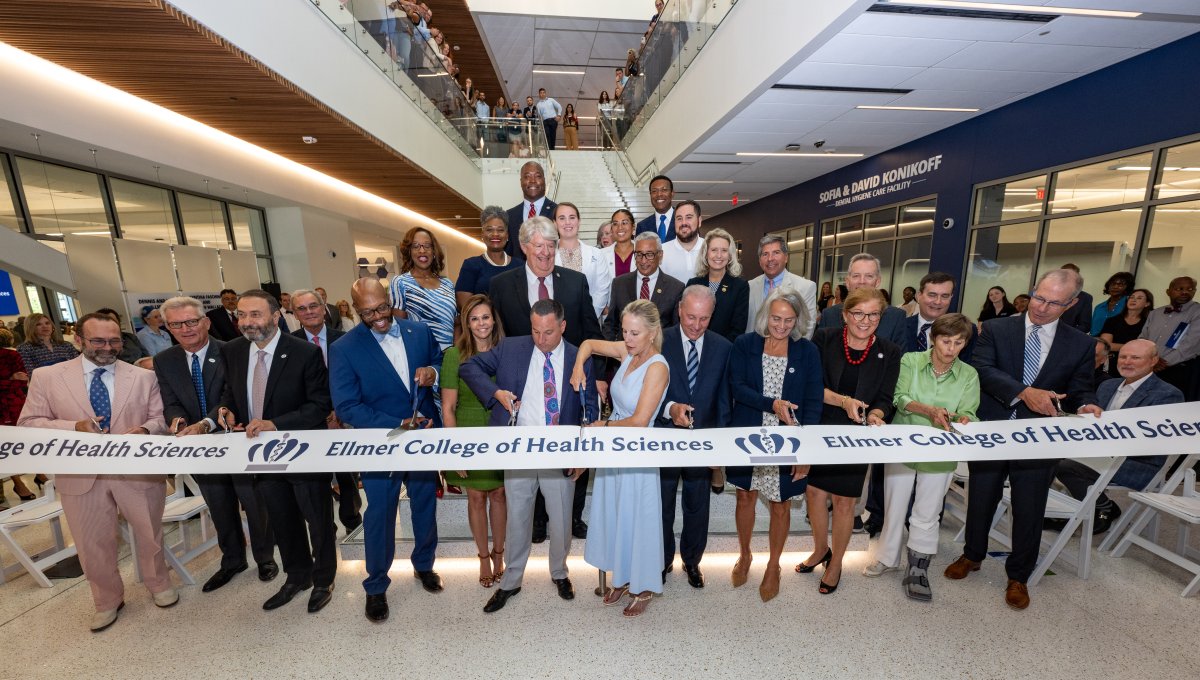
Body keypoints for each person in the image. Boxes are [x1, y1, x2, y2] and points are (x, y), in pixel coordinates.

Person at [945, 269, 1101, 611]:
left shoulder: (1081, 344)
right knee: (981, 497)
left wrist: (1086, 404)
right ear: (1032, 291)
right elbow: (983, 370)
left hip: (1040, 439)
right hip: (993, 430)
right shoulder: (996, 329)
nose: (1042, 307)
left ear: (1071, 304)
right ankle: (972, 555)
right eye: (1039, 297)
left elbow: (1081, 388)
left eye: (1054, 303)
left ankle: (1019, 575)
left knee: (1029, 507)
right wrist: (1024, 392)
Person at [180, 289, 336, 614]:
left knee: (318, 520)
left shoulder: (304, 352)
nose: (247, 322)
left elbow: (320, 405)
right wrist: (226, 411)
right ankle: (297, 576)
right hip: (261, 457)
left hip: (303, 452)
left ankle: (323, 580)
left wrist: (274, 424)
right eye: (242, 315)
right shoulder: (233, 351)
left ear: (276, 316)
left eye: (255, 314)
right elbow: (231, 394)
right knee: (282, 518)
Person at [18, 312, 176, 631]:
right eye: (98, 341)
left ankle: (159, 583)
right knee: (92, 541)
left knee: (150, 533)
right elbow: (29, 423)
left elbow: (160, 418)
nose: (108, 347)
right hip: (80, 474)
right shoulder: (48, 377)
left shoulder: (143, 377)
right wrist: (73, 427)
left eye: (114, 340)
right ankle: (106, 600)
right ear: (78, 339)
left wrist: (144, 430)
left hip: (136, 471)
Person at [462, 299, 598, 613]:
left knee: (561, 520)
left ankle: (560, 572)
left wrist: (584, 454)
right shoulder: (511, 348)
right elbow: (469, 367)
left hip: (560, 451)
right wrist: (495, 393)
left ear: (562, 326)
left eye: (548, 332)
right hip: (519, 450)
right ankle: (511, 580)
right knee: (518, 519)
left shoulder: (579, 357)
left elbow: (589, 407)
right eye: (535, 331)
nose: (541, 339)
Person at [328, 278, 443, 623]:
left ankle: (424, 565)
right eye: (367, 312)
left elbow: (439, 361)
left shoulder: (418, 331)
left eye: (381, 308)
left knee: (424, 504)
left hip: (423, 438)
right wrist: (399, 422)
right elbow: (347, 406)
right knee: (379, 514)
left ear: (389, 301)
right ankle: (376, 585)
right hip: (380, 444)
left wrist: (432, 373)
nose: (378, 317)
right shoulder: (344, 348)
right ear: (355, 309)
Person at [488, 216, 605, 539]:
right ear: (524, 247)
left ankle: (572, 516)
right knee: (530, 453)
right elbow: (498, 338)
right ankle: (537, 521)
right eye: (539, 246)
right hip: (523, 386)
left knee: (572, 447)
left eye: (551, 246)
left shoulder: (575, 281)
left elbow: (590, 330)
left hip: (569, 381)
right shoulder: (501, 284)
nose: (546, 252)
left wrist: (597, 376)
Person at [154, 296, 277, 592]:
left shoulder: (234, 351)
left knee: (253, 503)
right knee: (219, 506)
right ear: (168, 328)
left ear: (206, 322)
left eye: (191, 321)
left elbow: (229, 397)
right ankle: (233, 560)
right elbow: (170, 401)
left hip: (237, 441)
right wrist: (177, 422)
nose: (185, 329)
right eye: (176, 324)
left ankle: (265, 558)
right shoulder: (164, 360)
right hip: (199, 450)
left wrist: (204, 424)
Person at [863, 314, 979, 602]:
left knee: (928, 511)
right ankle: (887, 558)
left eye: (958, 342)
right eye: (945, 341)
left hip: (941, 452)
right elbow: (899, 396)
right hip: (903, 445)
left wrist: (964, 419)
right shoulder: (911, 361)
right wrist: (929, 411)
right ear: (933, 338)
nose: (951, 348)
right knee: (894, 505)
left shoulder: (969, 375)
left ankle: (918, 568)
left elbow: (970, 412)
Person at [571, 300, 670, 617]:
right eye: (625, 331)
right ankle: (623, 577)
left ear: (652, 333)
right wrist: (578, 366)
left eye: (635, 333)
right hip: (614, 447)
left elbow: (640, 420)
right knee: (616, 515)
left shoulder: (657, 367)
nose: (627, 339)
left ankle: (644, 585)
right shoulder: (627, 351)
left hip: (637, 452)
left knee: (637, 518)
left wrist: (603, 426)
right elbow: (588, 344)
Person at [800, 288, 901, 595]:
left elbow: (886, 398)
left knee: (844, 502)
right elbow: (810, 386)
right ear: (845, 315)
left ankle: (836, 563)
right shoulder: (824, 339)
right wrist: (844, 401)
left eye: (873, 314)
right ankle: (820, 549)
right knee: (814, 493)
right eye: (858, 313)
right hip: (821, 426)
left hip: (856, 435)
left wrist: (877, 415)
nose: (865, 320)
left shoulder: (889, 351)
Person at [726, 289, 822, 601]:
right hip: (748, 436)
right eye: (776, 318)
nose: (781, 326)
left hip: (788, 441)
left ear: (798, 320)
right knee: (745, 497)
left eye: (789, 320)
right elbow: (737, 388)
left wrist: (806, 450)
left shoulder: (807, 351)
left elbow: (813, 402)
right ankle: (745, 554)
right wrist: (772, 404)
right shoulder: (745, 344)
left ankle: (773, 565)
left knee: (781, 505)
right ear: (766, 316)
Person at [1048, 340, 1184, 534]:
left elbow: (1155, 443)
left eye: (1135, 357)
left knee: (1062, 465)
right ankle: (1061, 510)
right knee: (1045, 456)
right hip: (1099, 454)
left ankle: (1104, 507)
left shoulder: (1168, 394)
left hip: (1138, 462)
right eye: (1123, 357)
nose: (1127, 362)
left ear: (1153, 361)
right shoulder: (1107, 385)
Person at [656, 286, 732, 588]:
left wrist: (720, 445)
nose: (696, 325)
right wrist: (669, 409)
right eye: (690, 317)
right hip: (665, 438)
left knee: (698, 504)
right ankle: (661, 560)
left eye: (704, 319)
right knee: (662, 503)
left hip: (704, 441)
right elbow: (646, 392)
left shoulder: (723, 347)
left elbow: (724, 400)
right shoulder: (658, 340)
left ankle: (692, 561)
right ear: (679, 309)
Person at [441, 295, 507, 589]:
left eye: (486, 317)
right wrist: (455, 451)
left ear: (494, 320)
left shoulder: (506, 351)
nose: (481, 324)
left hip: (500, 430)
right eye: (474, 318)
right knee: (476, 497)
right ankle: (482, 557)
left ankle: (499, 554)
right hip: (468, 432)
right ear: (467, 323)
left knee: (500, 494)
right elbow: (448, 408)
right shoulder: (454, 355)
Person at [291, 289, 360, 534]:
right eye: (302, 308)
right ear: (294, 314)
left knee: (347, 474)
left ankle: (352, 521)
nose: (309, 312)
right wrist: (319, 413)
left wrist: (338, 410)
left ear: (324, 308)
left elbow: (354, 378)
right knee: (315, 477)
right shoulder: (289, 344)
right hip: (308, 421)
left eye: (313, 306)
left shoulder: (346, 340)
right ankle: (323, 527)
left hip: (342, 416)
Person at [604, 233, 683, 342]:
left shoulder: (675, 288)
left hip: (660, 350)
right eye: (639, 254)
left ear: (660, 255)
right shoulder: (619, 284)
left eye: (649, 255)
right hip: (625, 349)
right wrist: (612, 349)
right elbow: (610, 325)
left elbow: (676, 330)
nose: (643, 260)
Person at [817, 253, 908, 348]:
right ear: (847, 282)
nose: (862, 281)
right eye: (856, 276)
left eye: (869, 276)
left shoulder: (895, 318)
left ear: (877, 282)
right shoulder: (829, 315)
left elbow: (900, 356)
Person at [390, 226, 457, 353]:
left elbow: (456, 323)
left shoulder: (447, 283)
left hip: (449, 356)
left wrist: (455, 352)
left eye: (427, 246)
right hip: (420, 355)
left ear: (434, 250)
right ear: (409, 251)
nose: (422, 250)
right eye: (415, 246)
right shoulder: (400, 282)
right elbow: (399, 327)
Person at [746, 235, 817, 339]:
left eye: (776, 252)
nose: (770, 258)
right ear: (760, 260)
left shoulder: (805, 287)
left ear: (786, 257)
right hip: (752, 347)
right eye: (765, 254)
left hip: (789, 348)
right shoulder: (749, 286)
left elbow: (807, 327)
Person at [1139, 276, 1198, 401]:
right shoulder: (1155, 313)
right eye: (1179, 289)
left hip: (1181, 370)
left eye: (1190, 289)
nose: (1185, 292)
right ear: (1168, 291)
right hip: (1150, 368)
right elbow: (1142, 339)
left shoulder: (1197, 312)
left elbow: (1191, 345)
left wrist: (1162, 363)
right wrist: (1147, 361)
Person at [686, 227, 748, 342]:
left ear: (730, 255)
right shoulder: (693, 284)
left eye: (724, 250)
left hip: (724, 348)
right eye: (714, 250)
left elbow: (738, 329)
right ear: (706, 253)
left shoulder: (740, 287)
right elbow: (685, 319)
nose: (719, 255)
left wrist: (719, 349)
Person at [456, 206, 524, 309]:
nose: (495, 234)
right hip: (482, 319)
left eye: (500, 230)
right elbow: (465, 306)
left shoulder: (520, 265)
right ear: (482, 234)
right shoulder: (471, 265)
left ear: (507, 235)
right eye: (489, 230)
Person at [554, 202, 612, 320]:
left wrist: (588, 318)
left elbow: (602, 290)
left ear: (579, 221)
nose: (567, 222)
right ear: (555, 223)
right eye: (562, 218)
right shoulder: (548, 255)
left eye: (572, 217)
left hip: (590, 319)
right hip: (556, 321)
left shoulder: (596, 254)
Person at [905, 272, 976, 362]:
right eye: (932, 295)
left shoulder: (966, 329)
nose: (938, 302)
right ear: (919, 296)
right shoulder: (900, 326)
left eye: (945, 296)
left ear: (951, 297)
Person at [0, 328, 34, 502]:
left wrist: (10, 381)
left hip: (13, 403)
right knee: (5, 444)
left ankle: (36, 474)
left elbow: (22, 379)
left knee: (20, 440)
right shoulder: (12, 355)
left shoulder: (12, 355)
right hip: (11, 402)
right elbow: (18, 380)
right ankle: (18, 482)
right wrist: (10, 380)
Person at [505, 161, 557, 257]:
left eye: (537, 176)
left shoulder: (557, 212)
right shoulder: (509, 215)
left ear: (544, 180)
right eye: (527, 176)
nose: (532, 181)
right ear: (521, 182)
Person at [1099, 288, 1153, 375]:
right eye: (1131, 297)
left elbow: (1147, 348)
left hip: (1135, 365)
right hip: (1111, 362)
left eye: (1139, 298)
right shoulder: (1112, 320)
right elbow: (1106, 345)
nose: (1133, 300)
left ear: (1147, 303)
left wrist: (1119, 346)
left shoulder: (1148, 324)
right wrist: (1133, 348)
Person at [659, 200, 703, 283]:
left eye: (689, 217)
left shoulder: (711, 249)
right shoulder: (661, 252)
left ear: (699, 221)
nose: (683, 223)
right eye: (679, 218)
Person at [1092, 272, 1135, 336]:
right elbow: (1093, 330)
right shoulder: (1099, 307)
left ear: (1128, 287)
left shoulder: (1130, 306)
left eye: (1120, 285)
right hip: (1096, 341)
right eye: (1112, 284)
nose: (1115, 287)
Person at [635, 175, 676, 243]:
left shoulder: (683, 221)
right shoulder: (642, 226)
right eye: (654, 191)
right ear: (650, 195)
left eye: (664, 190)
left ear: (672, 194)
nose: (659, 194)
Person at [600, 208, 636, 282]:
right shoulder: (601, 255)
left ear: (633, 228)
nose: (620, 227)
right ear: (612, 230)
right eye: (615, 224)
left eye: (624, 223)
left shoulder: (643, 252)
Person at [1058, 263, 1093, 334]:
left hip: (1069, 335)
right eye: (1064, 275)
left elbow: (1085, 326)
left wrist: (1065, 333)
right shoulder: (1051, 292)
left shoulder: (1085, 298)